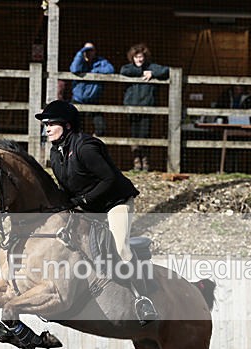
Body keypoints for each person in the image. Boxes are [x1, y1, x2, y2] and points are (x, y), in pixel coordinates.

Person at [34, 100, 158, 324]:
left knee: (120, 247)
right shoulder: (55, 154)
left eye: (52, 123)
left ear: (68, 125)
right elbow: (65, 189)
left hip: (115, 202)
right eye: (46, 124)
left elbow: (108, 179)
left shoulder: (86, 147)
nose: (48, 128)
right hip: (89, 207)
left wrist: (81, 200)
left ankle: (144, 299)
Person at [120, 43, 169, 172]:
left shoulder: (151, 67)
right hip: (132, 107)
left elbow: (166, 71)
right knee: (134, 135)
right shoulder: (129, 68)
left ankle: (145, 163)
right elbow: (123, 71)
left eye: (141, 56)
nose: (139, 59)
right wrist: (141, 72)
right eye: (136, 57)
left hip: (147, 107)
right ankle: (136, 162)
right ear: (132, 58)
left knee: (145, 134)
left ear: (145, 57)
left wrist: (152, 73)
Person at [69, 42, 115, 136]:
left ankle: (94, 143)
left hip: (93, 99)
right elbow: (74, 69)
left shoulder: (100, 62)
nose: (89, 53)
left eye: (91, 50)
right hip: (78, 99)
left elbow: (110, 70)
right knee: (76, 127)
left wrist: (94, 72)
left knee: (101, 127)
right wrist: (81, 53)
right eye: (87, 50)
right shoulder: (80, 61)